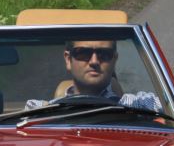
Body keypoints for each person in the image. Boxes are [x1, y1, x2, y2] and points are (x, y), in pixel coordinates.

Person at [28, 39, 162, 112]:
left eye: (104, 54)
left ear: (114, 60)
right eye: (83, 53)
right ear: (68, 60)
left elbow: (172, 105)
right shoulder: (39, 111)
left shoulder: (138, 106)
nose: (94, 61)